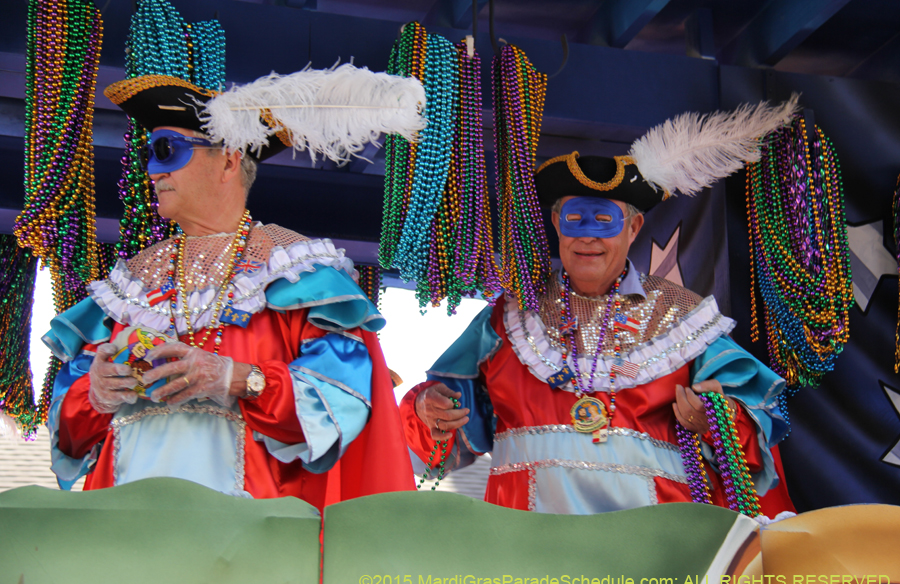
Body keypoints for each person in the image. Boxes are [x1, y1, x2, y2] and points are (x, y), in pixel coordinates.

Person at [43, 73, 414, 505]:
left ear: (228, 161)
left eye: (166, 151)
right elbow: (68, 435)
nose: (152, 170)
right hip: (124, 528)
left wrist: (236, 379)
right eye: (149, 154)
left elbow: (338, 405)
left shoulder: (298, 273)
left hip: (251, 533)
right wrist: (95, 393)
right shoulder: (129, 286)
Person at [401, 128, 798, 515]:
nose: (588, 237)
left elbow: (755, 432)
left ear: (633, 228)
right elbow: (446, 427)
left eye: (604, 220)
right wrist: (426, 408)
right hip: (526, 540)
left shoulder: (682, 316)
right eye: (575, 218)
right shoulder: (508, 318)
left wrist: (713, 418)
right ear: (557, 225)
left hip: (656, 544)